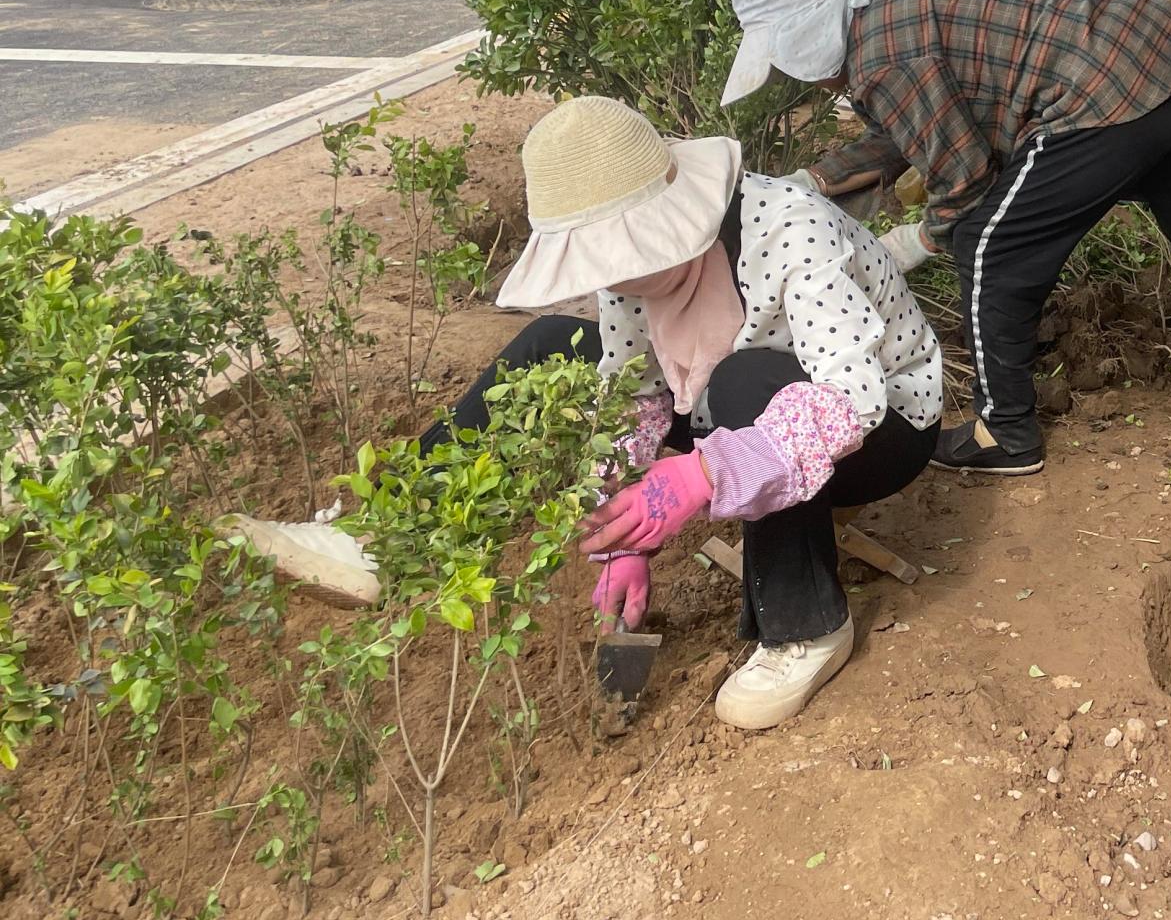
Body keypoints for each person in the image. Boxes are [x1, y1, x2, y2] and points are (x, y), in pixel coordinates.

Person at [234, 96, 944, 731]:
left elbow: (853, 399)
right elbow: (633, 390)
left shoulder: (792, 230)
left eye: (623, 256)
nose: (614, 280)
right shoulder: (631, 275)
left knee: (743, 380)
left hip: (884, 425)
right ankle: (382, 533)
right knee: (547, 345)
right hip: (731, 402)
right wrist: (621, 533)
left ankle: (805, 626)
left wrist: (700, 475)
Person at [723, 0, 1171, 476]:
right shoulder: (890, 4)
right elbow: (908, 126)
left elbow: (964, 180)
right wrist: (818, 179)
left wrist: (916, 242)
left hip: (1102, 96)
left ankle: (1004, 432)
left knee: (990, 248)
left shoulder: (883, 58)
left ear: (807, 34)